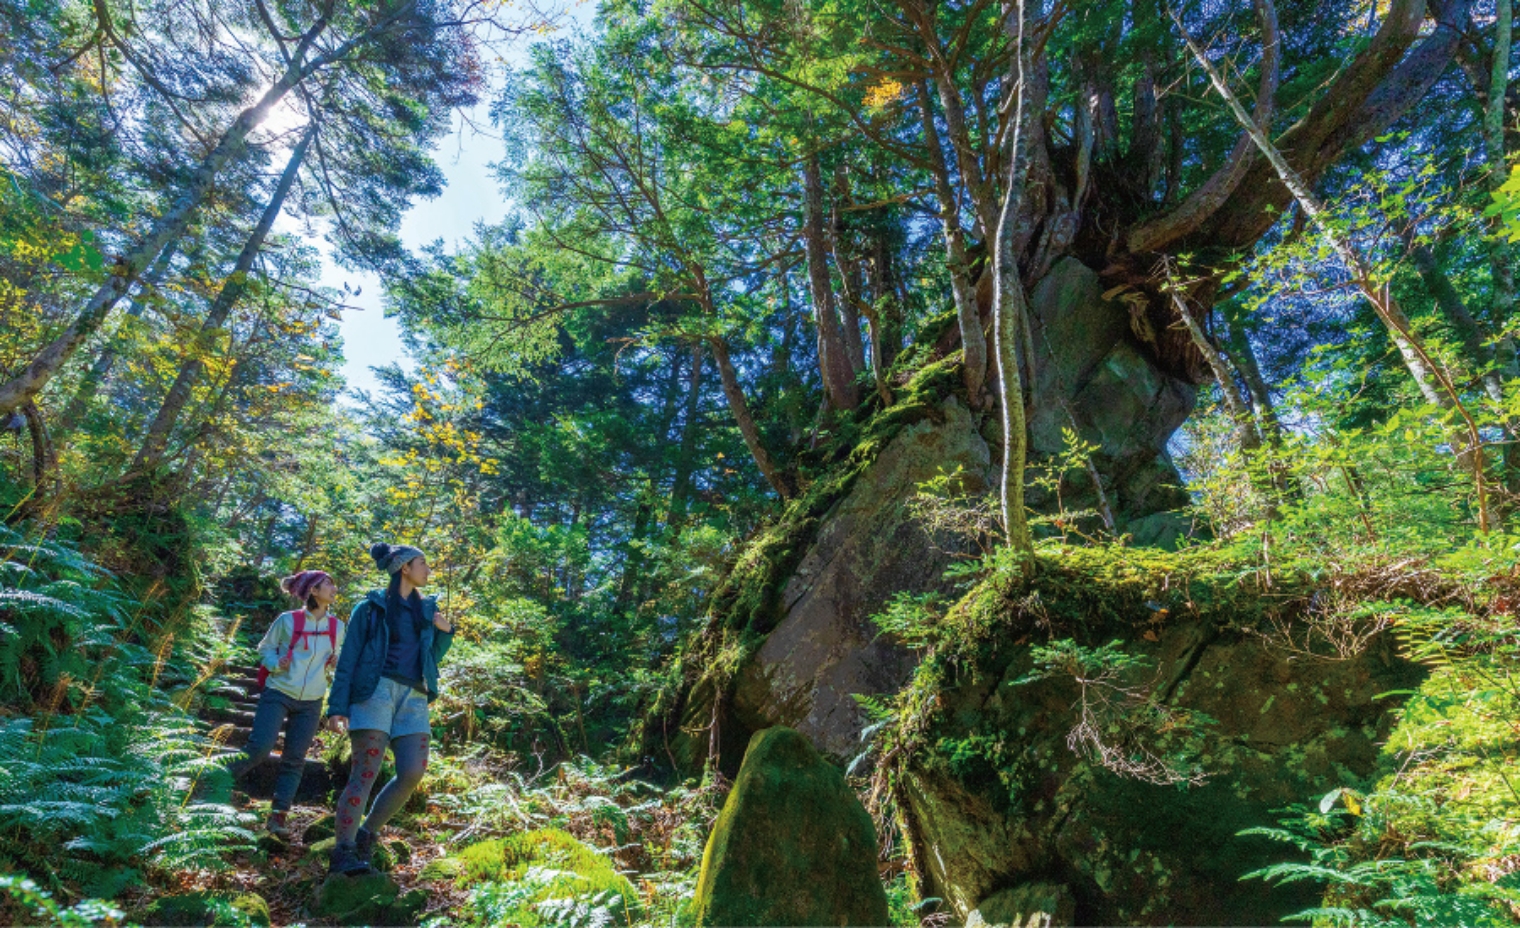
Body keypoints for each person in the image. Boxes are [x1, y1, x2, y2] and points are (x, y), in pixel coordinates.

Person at [323, 542, 454, 876]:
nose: (429, 569)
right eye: (423, 562)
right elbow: (348, 659)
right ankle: (343, 851)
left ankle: (367, 834)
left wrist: (445, 633)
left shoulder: (427, 612)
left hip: (414, 696)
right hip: (375, 691)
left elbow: (430, 659)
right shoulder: (369, 609)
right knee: (364, 772)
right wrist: (337, 706)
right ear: (405, 568)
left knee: (412, 772)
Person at [229, 569, 346, 838]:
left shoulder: (337, 627)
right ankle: (216, 781)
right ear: (313, 591)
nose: (334, 588)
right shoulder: (287, 620)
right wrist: (274, 663)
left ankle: (278, 819)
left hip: (312, 700)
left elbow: (335, 657)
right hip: (278, 691)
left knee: (295, 759)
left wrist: (334, 661)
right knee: (259, 748)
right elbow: (265, 648)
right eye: (328, 583)